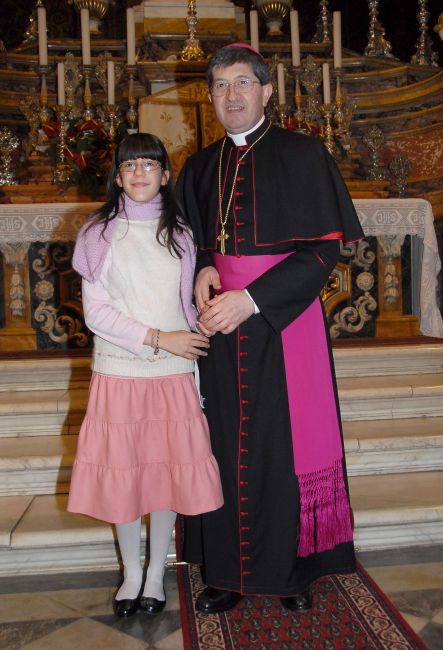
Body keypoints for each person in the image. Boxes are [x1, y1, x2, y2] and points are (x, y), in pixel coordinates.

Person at [176, 43, 364, 614]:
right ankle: (227, 573)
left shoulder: (303, 154)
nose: (231, 95)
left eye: (242, 83)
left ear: (266, 90)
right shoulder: (199, 165)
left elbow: (323, 251)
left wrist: (252, 300)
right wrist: (204, 267)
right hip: (220, 328)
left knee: (286, 446)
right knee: (223, 443)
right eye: (220, 86)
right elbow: (194, 239)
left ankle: (292, 572)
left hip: (284, 323)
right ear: (210, 97)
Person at [68, 133, 223, 618]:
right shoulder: (98, 234)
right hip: (121, 369)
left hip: (173, 372)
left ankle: (156, 571)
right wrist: (159, 338)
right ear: (117, 178)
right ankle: (131, 573)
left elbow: (187, 300)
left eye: (149, 164)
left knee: (163, 475)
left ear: (165, 175)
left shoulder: (182, 233)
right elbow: (96, 313)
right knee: (126, 474)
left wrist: (201, 323)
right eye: (130, 165)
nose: (139, 173)